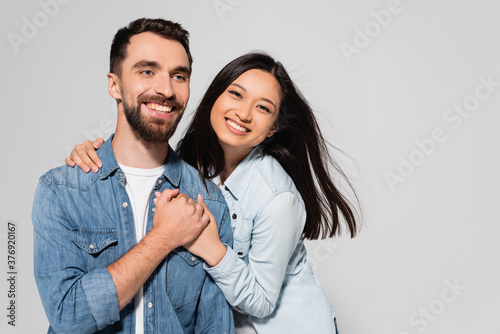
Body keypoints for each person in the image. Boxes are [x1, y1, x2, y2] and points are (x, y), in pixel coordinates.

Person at [67, 52, 360, 333]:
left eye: (263, 108)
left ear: (274, 128)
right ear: (216, 96)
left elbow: (261, 302)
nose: (243, 113)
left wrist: (211, 248)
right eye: (236, 94)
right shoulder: (192, 164)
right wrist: (94, 154)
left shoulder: (278, 198)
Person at [32, 18, 234, 334]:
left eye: (179, 76)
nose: (166, 90)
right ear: (115, 85)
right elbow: (69, 316)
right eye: (147, 71)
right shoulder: (61, 190)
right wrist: (164, 237)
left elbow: (214, 326)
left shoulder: (209, 201)